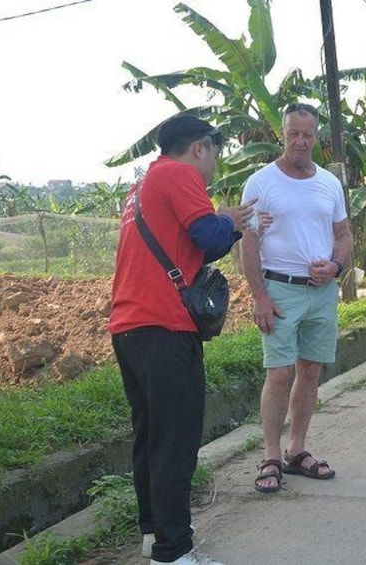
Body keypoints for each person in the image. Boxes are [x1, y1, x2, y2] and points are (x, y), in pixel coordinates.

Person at [109, 114, 256, 565]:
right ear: (200, 148)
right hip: (166, 327)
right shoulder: (180, 174)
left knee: (151, 439)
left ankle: (156, 535)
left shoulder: (142, 186)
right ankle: (173, 553)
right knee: (175, 442)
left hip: (131, 328)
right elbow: (207, 238)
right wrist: (230, 220)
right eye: (215, 151)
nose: (214, 163)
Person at [241, 102, 353, 494]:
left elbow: (343, 235)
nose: (301, 141)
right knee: (279, 372)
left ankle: (297, 450)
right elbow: (249, 241)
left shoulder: (329, 183)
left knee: (310, 372)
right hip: (280, 290)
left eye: (307, 134)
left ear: (316, 136)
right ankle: (270, 455)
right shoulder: (261, 182)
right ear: (282, 134)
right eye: (293, 134)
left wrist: (336, 268)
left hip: (321, 292)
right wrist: (259, 296)